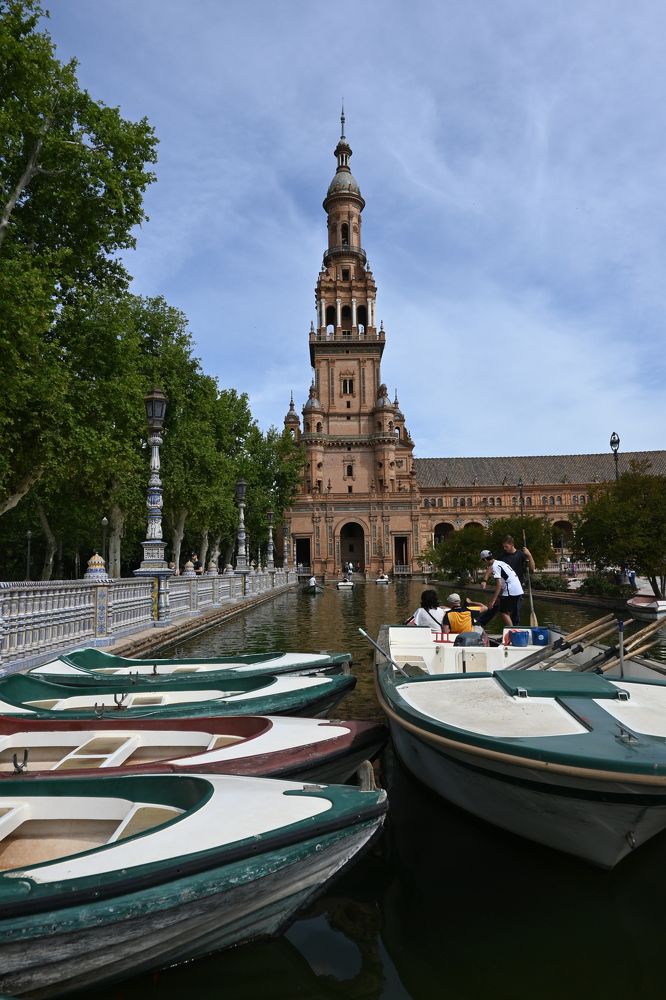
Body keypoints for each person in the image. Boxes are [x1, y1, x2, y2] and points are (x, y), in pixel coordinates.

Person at [481, 535, 534, 625]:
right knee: (496, 607)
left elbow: (532, 569)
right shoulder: (502, 557)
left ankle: (514, 632)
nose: (505, 548)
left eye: (506, 546)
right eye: (503, 547)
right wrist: (484, 580)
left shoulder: (521, 555)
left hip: (515, 587)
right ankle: (480, 623)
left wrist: (529, 555)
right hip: (506, 588)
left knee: (512, 613)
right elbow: (491, 567)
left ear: (512, 544)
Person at [477, 550, 524, 628]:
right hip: (518, 589)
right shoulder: (500, 563)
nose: (484, 563)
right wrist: (484, 580)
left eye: (483, 561)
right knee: (498, 604)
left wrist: (492, 600)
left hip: (511, 591)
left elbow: (499, 584)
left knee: (504, 613)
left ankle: (512, 632)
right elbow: (489, 570)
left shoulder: (495, 567)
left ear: (485, 560)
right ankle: (480, 623)